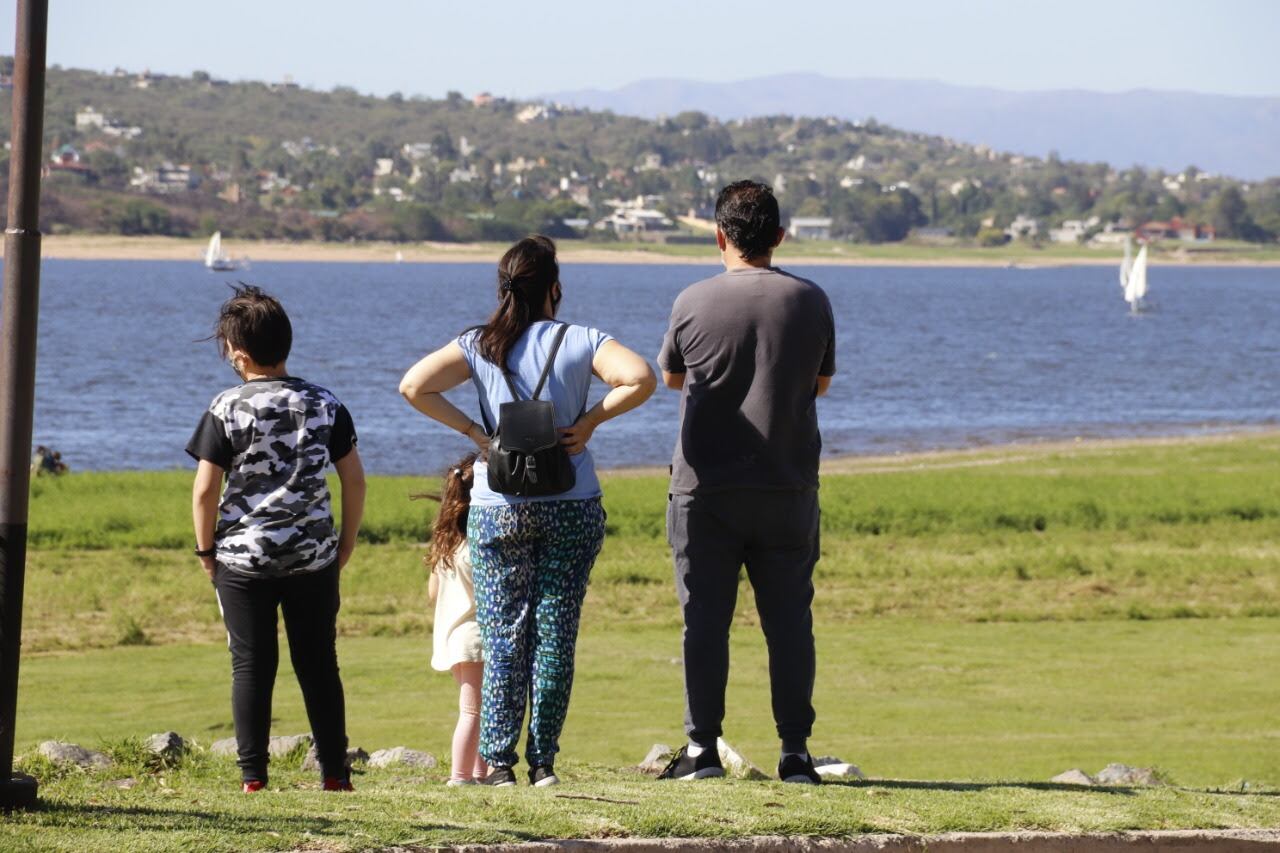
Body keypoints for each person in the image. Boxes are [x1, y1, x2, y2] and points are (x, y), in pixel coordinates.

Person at [399, 234, 656, 787]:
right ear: (555, 289)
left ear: (503, 288)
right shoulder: (581, 339)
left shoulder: (478, 344)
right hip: (572, 503)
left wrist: (477, 433)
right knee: (556, 633)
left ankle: (497, 764)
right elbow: (641, 377)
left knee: (503, 635)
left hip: (498, 505)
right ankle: (544, 762)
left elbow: (414, 386)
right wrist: (587, 424)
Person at [656, 181, 836, 784]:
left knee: (703, 621)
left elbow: (674, 379)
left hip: (704, 488)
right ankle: (796, 752)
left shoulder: (692, 299)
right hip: (787, 486)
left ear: (719, 235)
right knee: (790, 624)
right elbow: (821, 384)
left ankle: (702, 748)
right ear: (779, 237)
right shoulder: (811, 300)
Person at [187, 284, 367, 793]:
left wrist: (206, 552)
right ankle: (335, 774)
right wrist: (344, 542)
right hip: (314, 556)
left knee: (251, 665)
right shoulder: (326, 403)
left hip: (243, 559)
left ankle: (253, 777)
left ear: (237, 354)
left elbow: (205, 490)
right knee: (318, 664)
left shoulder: (226, 407)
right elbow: (354, 479)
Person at [424, 452, 489, 786]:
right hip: (476, 637)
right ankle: (462, 775)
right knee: (475, 712)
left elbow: (433, 593)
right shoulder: (477, 546)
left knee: (475, 709)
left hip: (453, 638)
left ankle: (479, 773)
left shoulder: (446, 542)